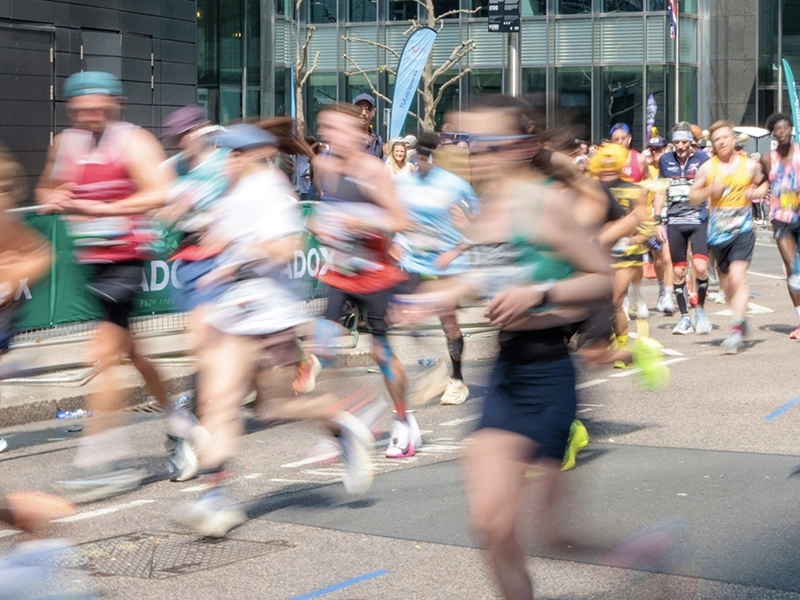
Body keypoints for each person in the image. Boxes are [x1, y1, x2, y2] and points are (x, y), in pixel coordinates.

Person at [401, 96, 613, 600]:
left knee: (555, 538)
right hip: (504, 372)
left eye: (486, 144)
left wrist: (542, 294)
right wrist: (431, 296)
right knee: (492, 529)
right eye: (466, 143)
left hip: (547, 373)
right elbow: (484, 278)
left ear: (521, 147)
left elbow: (599, 279)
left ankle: (647, 558)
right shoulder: (488, 208)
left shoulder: (550, 204)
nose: (475, 154)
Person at [172, 124, 375, 537]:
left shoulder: (271, 189)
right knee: (220, 403)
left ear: (257, 154)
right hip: (234, 316)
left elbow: (288, 248)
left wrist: (242, 253)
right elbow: (219, 241)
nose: (227, 160)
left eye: (235, 153)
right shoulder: (232, 194)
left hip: (270, 317)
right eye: (225, 153)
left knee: (277, 406)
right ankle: (216, 498)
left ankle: (341, 424)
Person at [35, 72, 174, 501]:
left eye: (99, 109)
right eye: (81, 111)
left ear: (118, 104)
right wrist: (52, 197)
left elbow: (160, 193)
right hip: (91, 262)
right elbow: (46, 188)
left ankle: (102, 463)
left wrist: (102, 207)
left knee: (103, 354)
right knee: (132, 353)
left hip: (128, 258)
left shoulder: (134, 142)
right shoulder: (65, 143)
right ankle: (181, 423)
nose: (91, 117)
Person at [310, 102, 420, 458]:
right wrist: (321, 225)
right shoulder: (322, 165)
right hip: (341, 271)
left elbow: (402, 221)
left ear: (360, 134)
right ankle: (342, 427)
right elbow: (325, 209)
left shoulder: (374, 171)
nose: (330, 136)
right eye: (325, 129)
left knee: (381, 352)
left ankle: (403, 420)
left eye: (338, 129)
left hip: (375, 273)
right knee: (321, 351)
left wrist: (364, 223)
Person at [389, 131, 479, 405]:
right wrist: (398, 243)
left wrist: (456, 250)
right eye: (420, 156)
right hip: (416, 261)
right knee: (401, 313)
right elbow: (405, 221)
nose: (423, 161)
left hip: (449, 265)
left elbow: (479, 225)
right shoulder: (407, 185)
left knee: (447, 319)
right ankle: (435, 366)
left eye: (428, 156)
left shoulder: (456, 185)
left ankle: (456, 379)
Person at [689, 120, 761, 354]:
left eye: (725, 137)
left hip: (742, 230)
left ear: (733, 139)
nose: (721, 142)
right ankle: (741, 318)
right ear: (713, 143)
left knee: (738, 278)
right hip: (718, 235)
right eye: (717, 139)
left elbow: (764, 182)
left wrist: (756, 192)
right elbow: (692, 197)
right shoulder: (708, 168)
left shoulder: (749, 166)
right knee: (728, 287)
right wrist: (709, 190)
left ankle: (736, 328)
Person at [589, 144, 650, 368]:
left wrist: (637, 238)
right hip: (599, 254)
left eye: (610, 164)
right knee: (602, 302)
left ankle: (622, 348)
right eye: (602, 164)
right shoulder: (591, 188)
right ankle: (610, 340)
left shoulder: (634, 190)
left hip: (626, 254)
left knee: (615, 300)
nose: (606, 169)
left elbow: (646, 222)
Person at [654, 121, 712, 335]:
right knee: (679, 270)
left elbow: (710, 190)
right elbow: (660, 191)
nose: (680, 145)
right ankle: (685, 317)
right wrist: (658, 221)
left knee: (700, 267)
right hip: (674, 221)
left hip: (698, 219)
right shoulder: (665, 161)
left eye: (684, 141)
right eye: (676, 141)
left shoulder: (703, 160)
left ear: (691, 141)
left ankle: (701, 310)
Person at [756, 113, 800, 339]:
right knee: (794, 270)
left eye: (785, 128)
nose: (782, 132)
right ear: (773, 134)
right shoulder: (767, 158)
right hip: (781, 218)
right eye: (777, 130)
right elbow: (761, 180)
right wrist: (758, 190)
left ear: (791, 129)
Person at [352, 93, 383, 159]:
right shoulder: (343, 137)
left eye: (368, 109)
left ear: (374, 112)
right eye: (359, 108)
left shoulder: (377, 140)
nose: (363, 113)